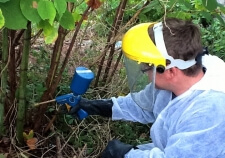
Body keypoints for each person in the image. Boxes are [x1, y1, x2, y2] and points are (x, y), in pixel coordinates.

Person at [68, 18, 225, 158]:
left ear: (170, 71)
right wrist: (92, 106)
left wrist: (125, 154)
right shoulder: (175, 81)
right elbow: (142, 105)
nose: (146, 72)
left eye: (147, 67)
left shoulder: (211, 112)